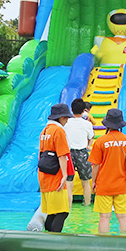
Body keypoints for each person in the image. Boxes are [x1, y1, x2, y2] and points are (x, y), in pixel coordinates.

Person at [89, 108, 126, 235]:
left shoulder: (100, 141)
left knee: (104, 217)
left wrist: (93, 182)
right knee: (123, 217)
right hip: (122, 185)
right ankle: (124, 243)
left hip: (104, 185)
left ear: (107, 124)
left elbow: (96, 165)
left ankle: (103, 246)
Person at [38, 103, 72, 233]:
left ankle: (47, 238)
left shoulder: (45, 131)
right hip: (55, 176)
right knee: (63, 212)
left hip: (44, 175)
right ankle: (53, 239)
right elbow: (62, 155)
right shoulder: (58, 131)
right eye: (66, 118)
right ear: (61, 117)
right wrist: (64, 176)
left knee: (53, 212)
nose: (67, 120)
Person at [65, 98, 95, 207]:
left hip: (69, 154)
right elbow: (91, 136)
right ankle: (87, 203)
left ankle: (69, 205)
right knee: (85, 182)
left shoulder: (66, 122)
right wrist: (88, 145)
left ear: (71, 110)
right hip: (82, 153)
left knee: (68, 182)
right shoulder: (86, 124)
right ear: (84, 111)